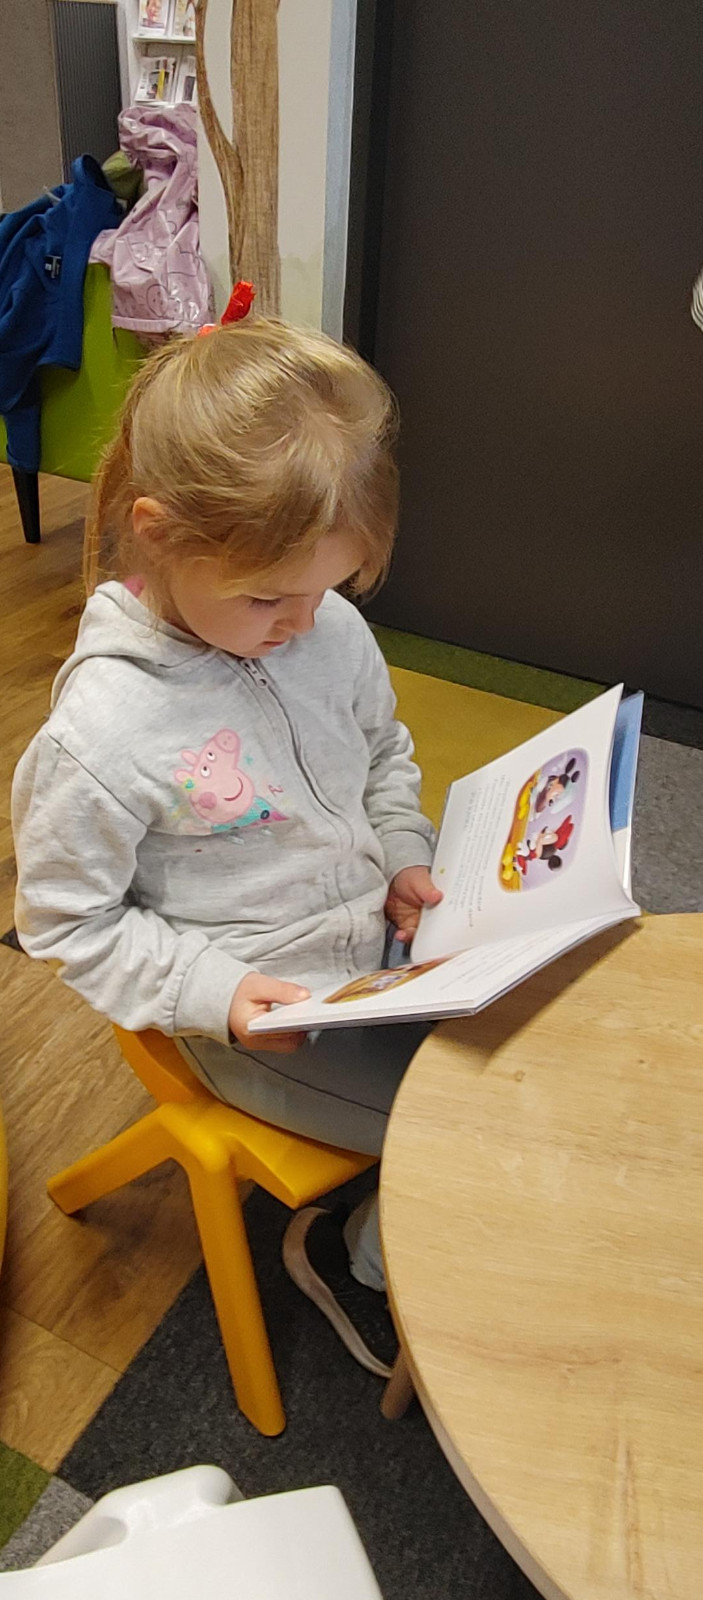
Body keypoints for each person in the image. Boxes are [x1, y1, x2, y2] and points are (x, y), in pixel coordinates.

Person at [12, 311, 442, 1377]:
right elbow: (67, 921)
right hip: (259, 1021)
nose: (302, 623)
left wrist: (401, 848)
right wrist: (218, 991)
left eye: (327, 591)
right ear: (158, 534)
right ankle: (373, 1258)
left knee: (544, 1038)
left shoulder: (321, 626)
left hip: (382, 955)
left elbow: (382, 750)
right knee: (462, 1127)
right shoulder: (102, 735)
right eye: (268, 597)